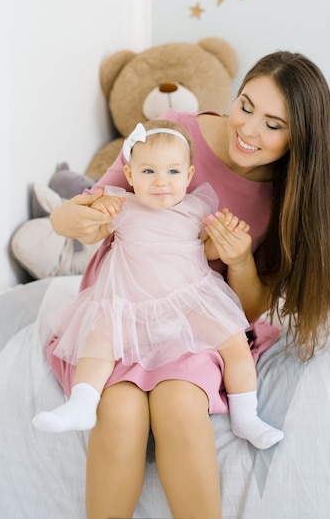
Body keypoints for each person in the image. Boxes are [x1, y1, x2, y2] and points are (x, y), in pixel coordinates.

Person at [46, 51, 330, 519]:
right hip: (125, 306)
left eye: (273, 125)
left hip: (195, 324)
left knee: (181, 404)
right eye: (244, 106)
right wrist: (70, 220)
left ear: (299, 138)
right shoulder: (170, 133)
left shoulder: (289, 193)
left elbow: (247, 310)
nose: (247, 131)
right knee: (119, 413)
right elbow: (91, 203)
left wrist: (240, 260)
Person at [33, 120, 284, 450]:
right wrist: (97, 213)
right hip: (129, 304)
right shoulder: (121, 205)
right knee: (99, 340)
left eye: (173, 172)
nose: (161, 182)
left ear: (189, 175)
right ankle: (82, 404)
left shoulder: (197, 208)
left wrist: (226, 239)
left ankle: (246, 415)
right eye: (148, 172)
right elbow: (92, 233)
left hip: (189, 301)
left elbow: (207, 250)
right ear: (132, 175)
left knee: (234, 342)